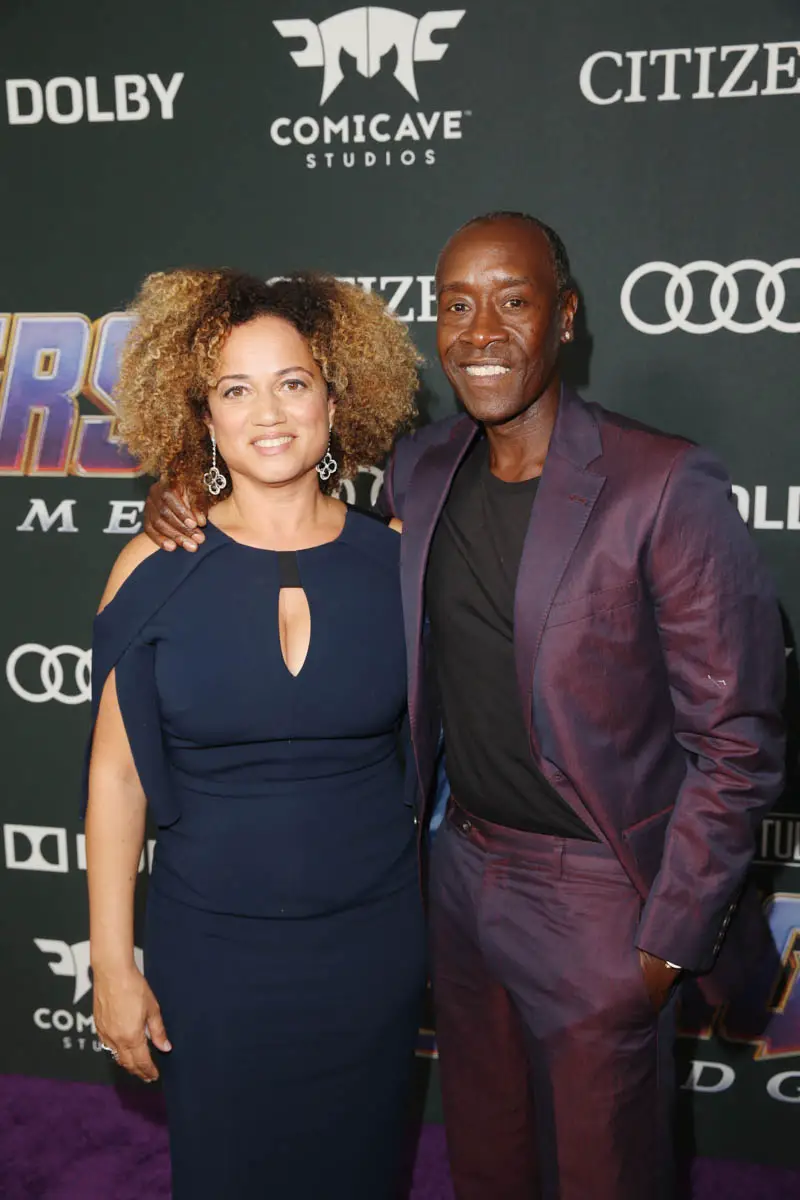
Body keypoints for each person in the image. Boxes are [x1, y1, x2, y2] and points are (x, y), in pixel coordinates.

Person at [145, 213, 786, 1200]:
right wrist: (191, 488)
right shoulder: (425, 467)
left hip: (597, 895)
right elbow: (312, 521)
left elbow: (737, 741)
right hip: (457, 880)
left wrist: (665, 940)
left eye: (512, 301)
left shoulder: (661, 483)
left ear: (564, 317)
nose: (480, 330)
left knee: (606, 1175)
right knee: (486, 1166)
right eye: (455, 306)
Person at [84, 268, 426, 1200]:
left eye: (292, 383)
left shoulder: (399, 563)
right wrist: (112, 964)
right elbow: (116, 778)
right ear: (203, 415)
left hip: (372, 950)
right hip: (212, 958)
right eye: (235, 389)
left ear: (334, 400)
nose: (267, 413)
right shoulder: (153, 568)